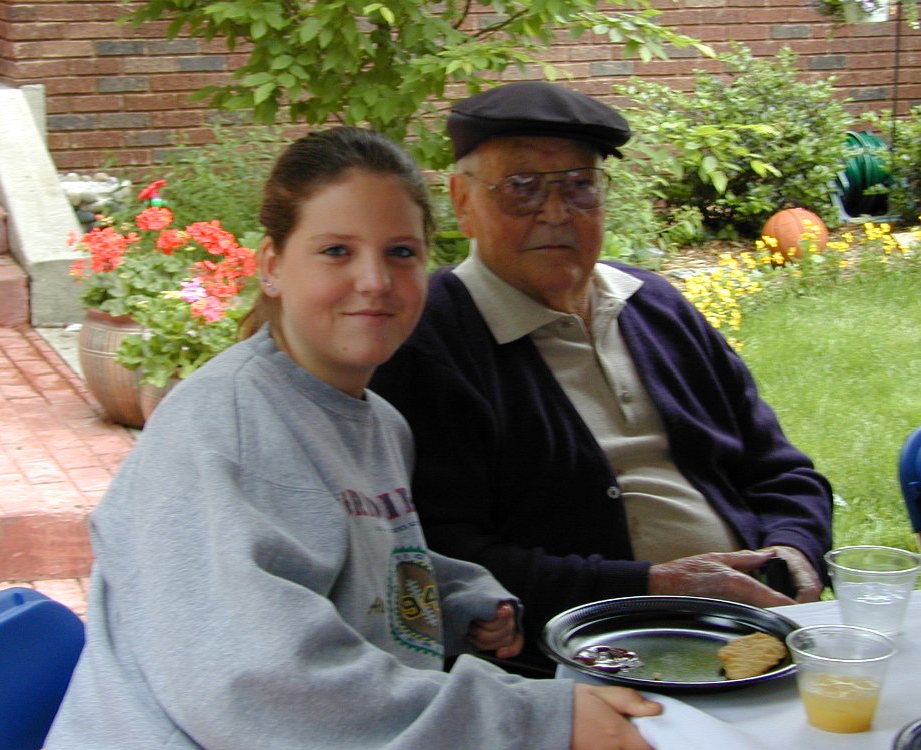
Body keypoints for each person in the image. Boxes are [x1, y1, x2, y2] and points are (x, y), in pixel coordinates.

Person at [45, 126, 662, 749]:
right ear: (272, 267)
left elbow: (364, 559)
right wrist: (537, 720)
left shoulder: (378, 422)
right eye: (337, 251)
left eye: (401, 253)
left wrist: (455, 596)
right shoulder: (220, 428)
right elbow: (262, 689)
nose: (375, 280)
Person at [369, 82, 834, 676]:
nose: (556, 212)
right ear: (462, 203)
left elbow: (781, 469)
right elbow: (443, 556)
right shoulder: (430, 341)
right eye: (522, 187)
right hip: (582, 664)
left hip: (747, 632)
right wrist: (651, 585)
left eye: (579, 185)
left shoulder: (655, 304)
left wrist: (794, 549)